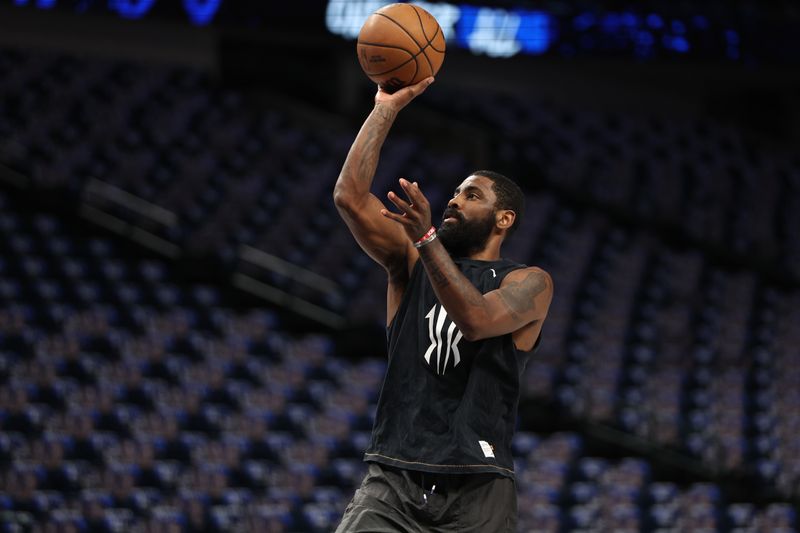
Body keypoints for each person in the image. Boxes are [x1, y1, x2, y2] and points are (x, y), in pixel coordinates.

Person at [333, 77, 553, 532]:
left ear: (503, 219)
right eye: (455, 192)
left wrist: (427, 238)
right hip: (393, 478)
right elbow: (349, 198)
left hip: (478, 488)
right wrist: (385, 109)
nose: (454, 200)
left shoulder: (528, 281)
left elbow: (476, 320)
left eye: (472, 196)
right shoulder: (411, 262)